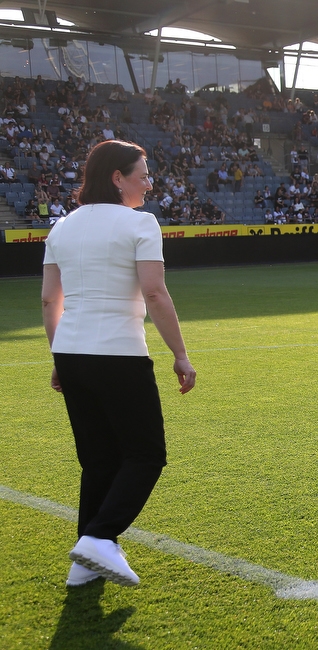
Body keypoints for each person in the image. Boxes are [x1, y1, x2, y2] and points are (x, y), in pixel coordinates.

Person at [40, 140, 196, 587]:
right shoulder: (140, 223)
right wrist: (180, 355)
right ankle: (100, 537)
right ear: (117, 177)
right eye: (143, 174)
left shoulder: (61, 227)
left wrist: (59, 356)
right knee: (146, 456)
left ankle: (84, 562)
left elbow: (51, 299)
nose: (149, 182)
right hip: (119, 353)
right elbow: (154, 293)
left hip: (72, 353)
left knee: (99, 460)